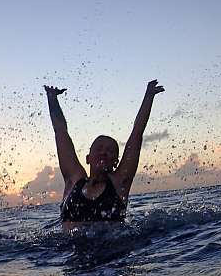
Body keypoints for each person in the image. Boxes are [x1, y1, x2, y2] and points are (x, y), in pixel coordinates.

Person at [44, 80, 164, 228]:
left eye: (111, 151)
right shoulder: (74, 179)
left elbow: (137, 132)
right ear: (88, 158)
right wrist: (52, 98)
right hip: (68, 250)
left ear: (116, 162)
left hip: (111, 249)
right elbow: (60, 132)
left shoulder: (120, 182)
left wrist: (149, 96)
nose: (104, 152)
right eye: (99, 148)